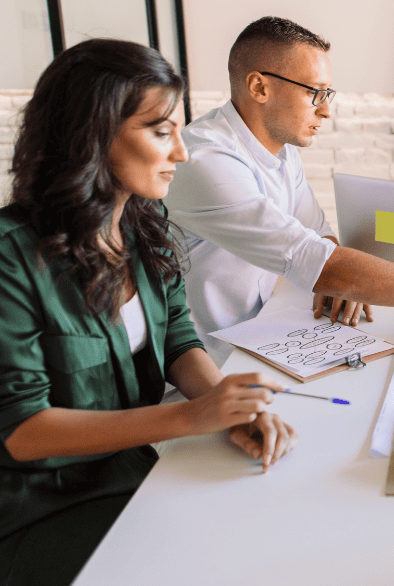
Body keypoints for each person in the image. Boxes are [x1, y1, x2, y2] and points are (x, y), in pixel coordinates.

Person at [0, 38, 297, 586]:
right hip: (39, 511)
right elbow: (22, 430)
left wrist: (226, 406)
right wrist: (190, 418)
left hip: (136, 475)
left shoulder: (143, 226)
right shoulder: (10, 257)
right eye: (161, 132)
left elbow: (178, 339)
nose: (181, 153)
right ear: (91, 135)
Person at [163, 17, 394, 364]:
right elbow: (315, 256)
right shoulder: (206, 162)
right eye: (315, 92)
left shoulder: (281, 151)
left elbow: (318, 232)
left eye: (329, 93)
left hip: (265, 335)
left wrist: (337, 279)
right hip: (209, 361)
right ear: (259, 86)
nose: (326, 111)